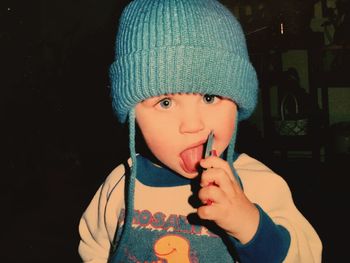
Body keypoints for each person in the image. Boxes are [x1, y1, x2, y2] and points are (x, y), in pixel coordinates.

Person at [78, 0, 322, 262]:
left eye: (209, 97)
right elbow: (93, 247)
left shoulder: (261, 186)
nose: (193, 125)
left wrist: (251, 226)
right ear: (133, 114)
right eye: (166, 102)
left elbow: (306, 255)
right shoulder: (119, 185)